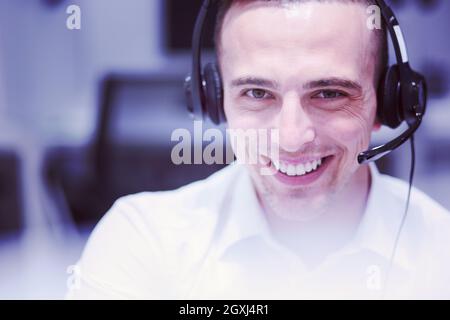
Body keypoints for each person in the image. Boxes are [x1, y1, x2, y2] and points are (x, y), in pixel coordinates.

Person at [67, 0, 450, 299]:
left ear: (386, 104)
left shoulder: (440, 257)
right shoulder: (142, 243)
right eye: (257, 93)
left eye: (330, 93)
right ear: (213, 101)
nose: (292, 138)